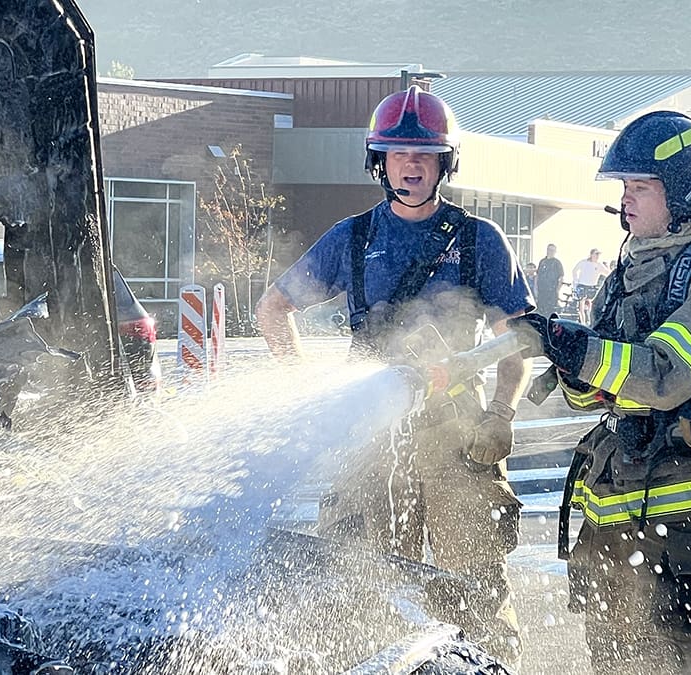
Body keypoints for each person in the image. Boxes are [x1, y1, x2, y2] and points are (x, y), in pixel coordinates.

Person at [255, 85, 534, 665]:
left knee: (474, 585)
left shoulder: (479, 241)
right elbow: (272, 310)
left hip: (460, 434)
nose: (410, 164)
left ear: (444, 163)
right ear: (378, 161)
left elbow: (520, 338)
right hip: (369, 432)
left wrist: (501, 413)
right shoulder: (353, 238)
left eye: (424, 154)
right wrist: (315, 398)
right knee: (360, 578)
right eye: (398, 153)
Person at [517, 110, 691, 674]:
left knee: (668, 659)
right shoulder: (627, 273)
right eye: (625, 187)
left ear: (681, 191)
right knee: (609, 656)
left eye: (640, 187)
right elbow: (591, 397)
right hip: (611, 510)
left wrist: (579, 350)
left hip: (676, 514)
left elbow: (663, 376)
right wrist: (569, 358)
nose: (626, 199)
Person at [570, 248, 610, 323]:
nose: (597, 256)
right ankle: (583, 322)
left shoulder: (599, 265)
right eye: (596, 254)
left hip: (592, 287)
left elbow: (607, 273)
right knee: (581, 304)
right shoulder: (584, 262)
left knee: (590, 304)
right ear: (591, 254)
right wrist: (576, 281)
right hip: (582, 285)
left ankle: (591, 321)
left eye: (598, 254)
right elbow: (575, 270)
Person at [535, 243, 564, 316]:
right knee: (541, 310)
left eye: (553, 250)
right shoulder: (542, 261)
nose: (551, 251)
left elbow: (561, 278)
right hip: (541, 291)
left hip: (552, 291)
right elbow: (538, 275)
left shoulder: (557, 263)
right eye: (549, 249)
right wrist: (535, 288)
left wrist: (557, 290)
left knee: (550, 311)